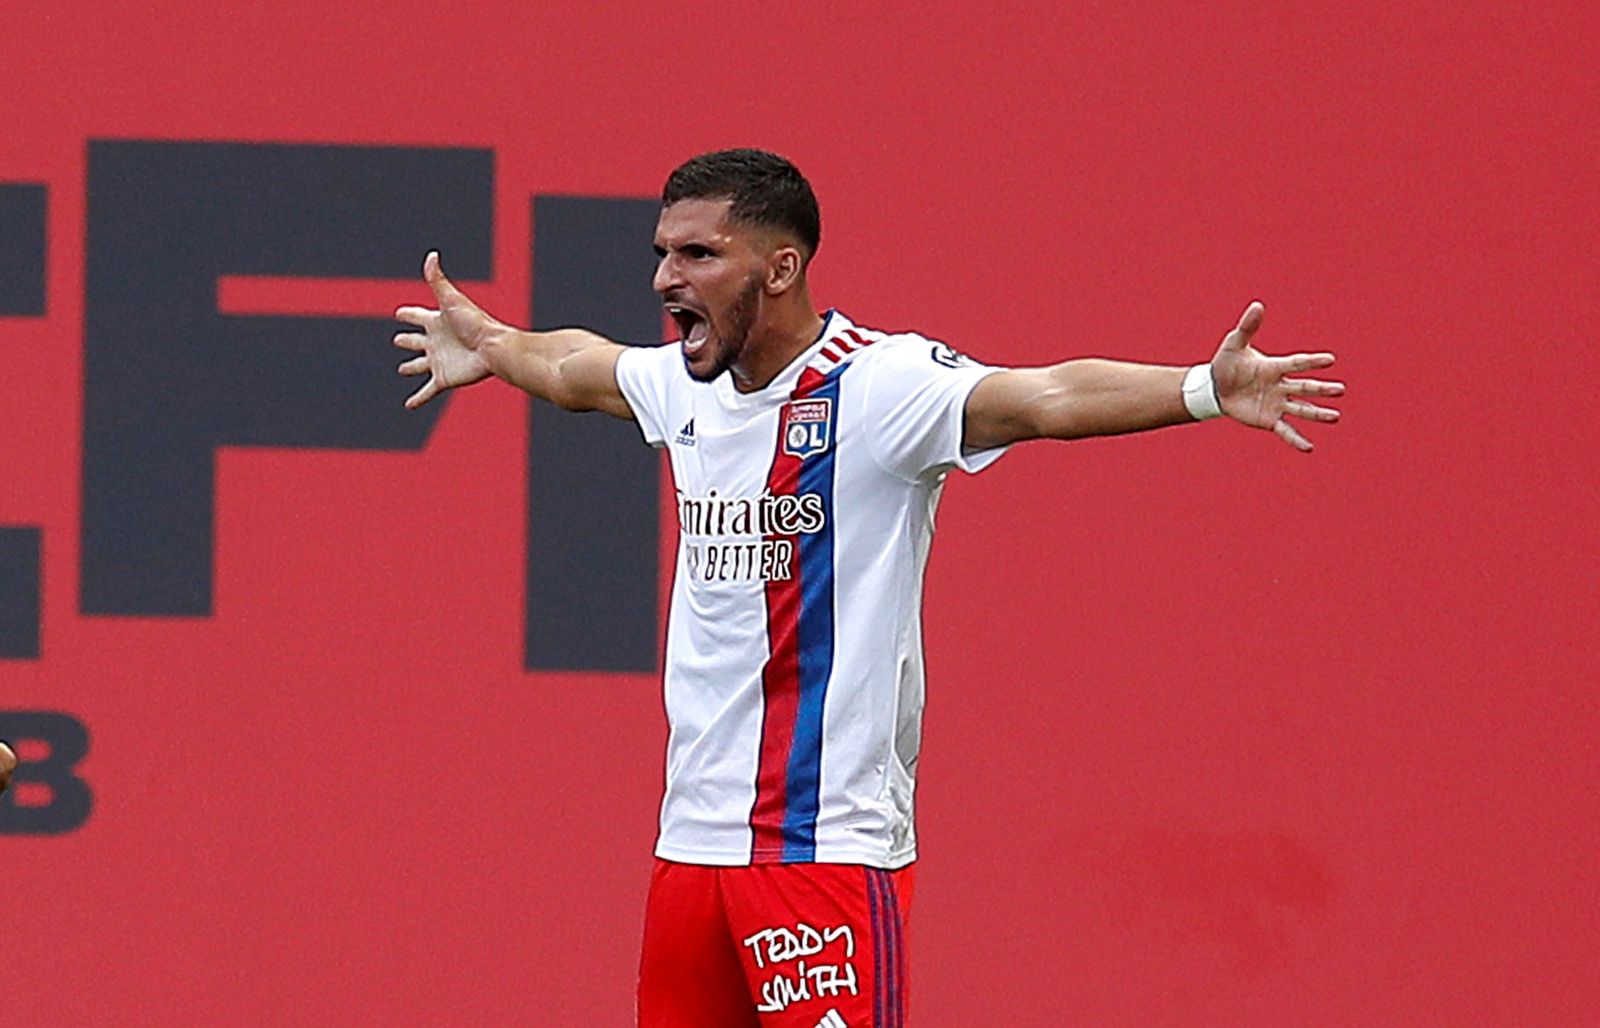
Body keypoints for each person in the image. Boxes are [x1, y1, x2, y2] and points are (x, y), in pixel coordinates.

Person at [393, 149, 1342, 1027]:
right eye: (661, 252)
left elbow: (1043, 398)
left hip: (823, 853)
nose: (664, 279)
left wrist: (1202, 391)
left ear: (780, 268)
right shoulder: (686, 385)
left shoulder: (881, 387)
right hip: (690, 854)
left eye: (697, 254)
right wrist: (494, 345)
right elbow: (574, 369)